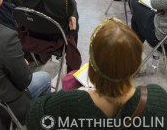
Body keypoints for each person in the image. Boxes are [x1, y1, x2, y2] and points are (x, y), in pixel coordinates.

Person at [26, 17, 167, 130]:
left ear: (92, 66)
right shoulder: (157, 98)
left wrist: (82, 93)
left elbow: (34, 118)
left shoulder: (71, 101)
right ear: (136, 64)